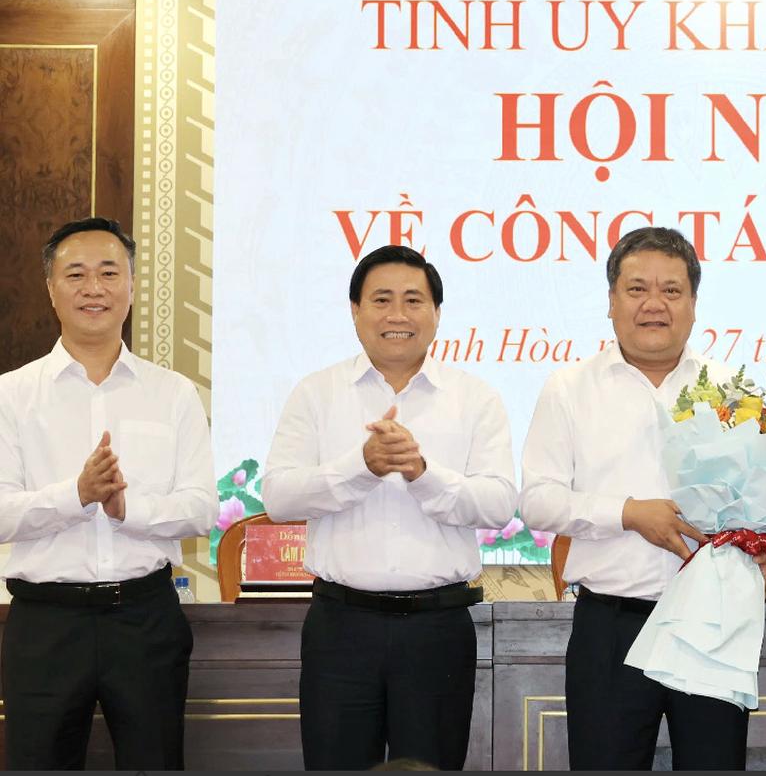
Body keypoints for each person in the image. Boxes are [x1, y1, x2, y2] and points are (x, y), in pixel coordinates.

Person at [520, 226, 766, 771]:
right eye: (637, 289)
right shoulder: (570, 388)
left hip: (712, 625)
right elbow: (538, 501)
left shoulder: (734, 390)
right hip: (610, 627)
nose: (654, 304)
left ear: (693, 304)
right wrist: (628, 514)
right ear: (612, 301)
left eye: (671, 290)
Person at [263, 245, 517, 770]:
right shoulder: (316, 394)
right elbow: (279, 497)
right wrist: (362, 466)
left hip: (437, 629)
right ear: (355, 310)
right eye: (381, 300)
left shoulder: (475, 398)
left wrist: (422, 473)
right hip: (341, 627)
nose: (398, 314)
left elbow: (497, 505)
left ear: (436, 313)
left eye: (413, 300)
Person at [0, 217, 216, 769]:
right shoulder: (11, 395)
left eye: (109, 273)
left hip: (145, 620)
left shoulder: (173, 394)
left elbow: (200, 509)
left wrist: (127, 507)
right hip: (45, 624)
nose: (93, 287)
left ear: (132, 286)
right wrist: (76, 495)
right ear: (51, 289)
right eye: (76, 274)